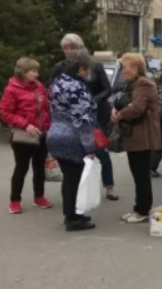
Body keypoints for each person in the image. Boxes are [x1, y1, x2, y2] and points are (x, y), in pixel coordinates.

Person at [52, 34, 117, 201]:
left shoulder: (94, 66)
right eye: (65, 48)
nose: (68, 51)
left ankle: (109, 186)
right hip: (71, 115)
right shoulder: (60, 67)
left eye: (72, 47)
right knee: (75, 152)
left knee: (99, 149)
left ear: (80, 48)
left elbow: (107, 89)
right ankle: (78, 188)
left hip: (96, 114)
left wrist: (92, 100)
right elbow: (52, 89)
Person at [46, 52, 97, 231]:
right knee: (74, 178)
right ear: (80, 69)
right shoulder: (77, 87)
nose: (88, 73)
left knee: (69, 177)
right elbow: (81, 119)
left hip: (56, 133)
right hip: (71, 137)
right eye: (87, 69)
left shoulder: (57, 82)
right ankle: (73, 217)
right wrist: (90, 146)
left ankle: (72, 213)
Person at [111, 53, 161, 224]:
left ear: (135, 68)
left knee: (141, 174)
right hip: (136, 135)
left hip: (142, 135)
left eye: (125, 67)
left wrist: (119, 115)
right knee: (138, 173)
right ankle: (139, 207)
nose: (123, 70)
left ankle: (143, 210)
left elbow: (137, 108)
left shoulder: (142, 83)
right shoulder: (132, 84)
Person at [1, 57, 53, 214]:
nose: (37, 74)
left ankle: (39, 196)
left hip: (42, 133)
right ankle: (15, 201)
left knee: (39, 167)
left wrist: (49, 126)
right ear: (23, 73)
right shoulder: (11, 89)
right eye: (33, 71)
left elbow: (46, 109)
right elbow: (4, 112)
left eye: (37, 71)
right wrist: (25, 124)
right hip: (23, 135)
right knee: (21, 168)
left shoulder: (39, 87)